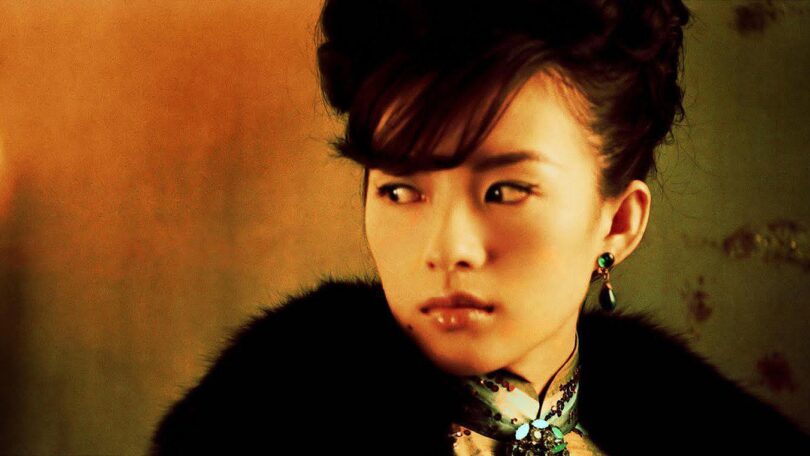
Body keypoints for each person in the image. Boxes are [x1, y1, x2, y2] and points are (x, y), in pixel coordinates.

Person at [150, 1, 810, 454]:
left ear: (617, 221)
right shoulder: (261, 425)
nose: (449, 249)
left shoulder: (708, 430)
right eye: (401, 190)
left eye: (506, 191)